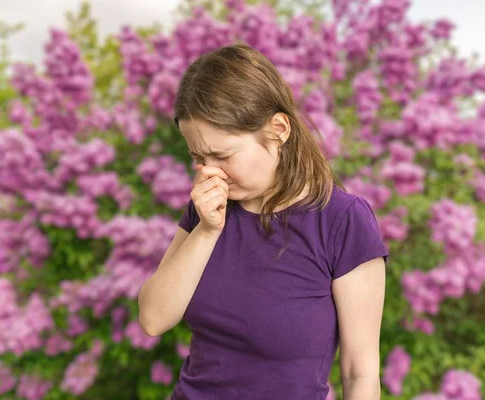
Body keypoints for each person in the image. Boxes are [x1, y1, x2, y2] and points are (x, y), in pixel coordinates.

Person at [138, 44, 390, 400]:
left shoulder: (342, 222)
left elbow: (360, 373)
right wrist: (208, 231)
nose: (210, 170)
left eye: (223, 154)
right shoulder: (207, 209)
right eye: (198, 156)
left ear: (278, 129)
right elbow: (153, 319)